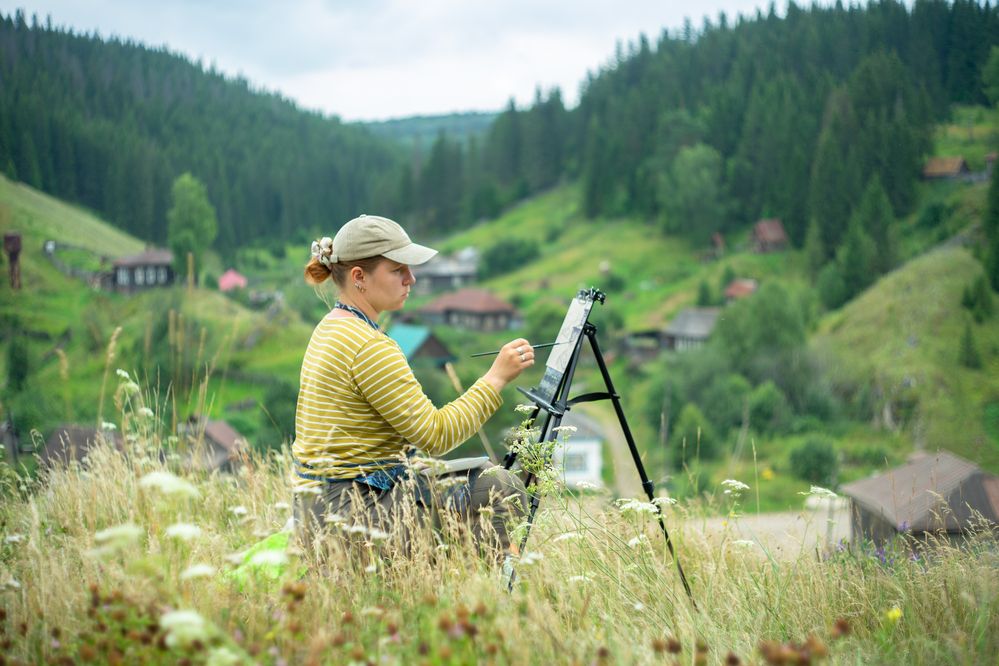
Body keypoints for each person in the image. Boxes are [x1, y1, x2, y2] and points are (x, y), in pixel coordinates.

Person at [292, 213, 531, 562]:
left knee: (454, 481)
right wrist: (496, 378)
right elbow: (435, 435)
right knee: (499, 487)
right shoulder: (368, 346)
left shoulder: (331, 327)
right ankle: (486, 599)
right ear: (359, 277)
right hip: (351, 517)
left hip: (316, 513)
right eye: (398, 269)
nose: (411, 278)